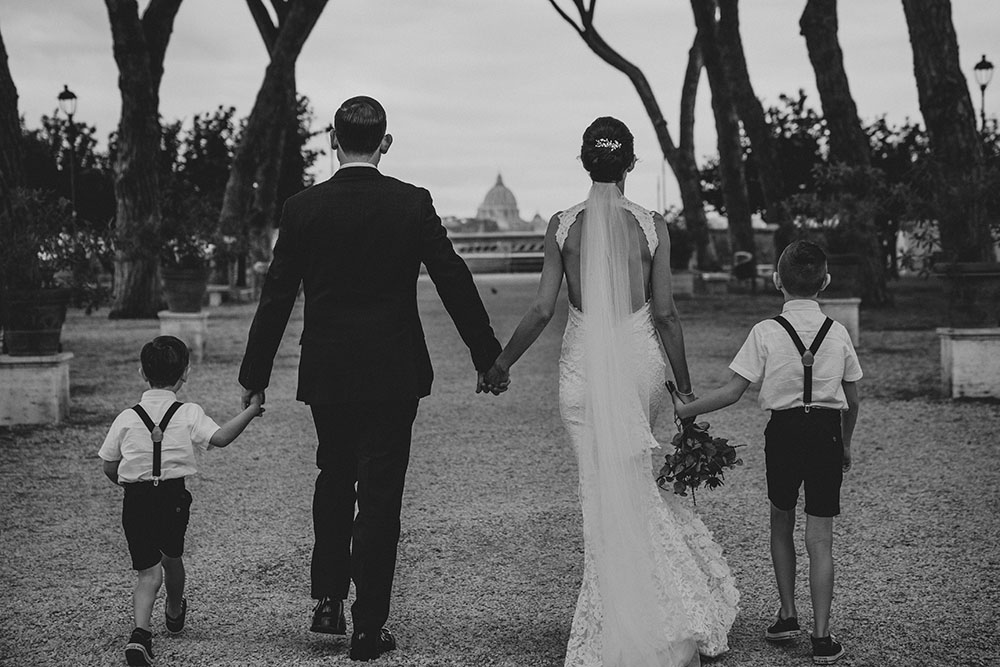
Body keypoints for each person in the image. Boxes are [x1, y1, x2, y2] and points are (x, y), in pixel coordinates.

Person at [238, 96, 505, 661]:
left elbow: (278, 293)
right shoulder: (412, 203)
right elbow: (452, 277)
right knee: (381, 497)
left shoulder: (302, 207)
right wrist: (487, 354)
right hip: (393, 369)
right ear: (386, 142)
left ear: (333, 140)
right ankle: (368, 627)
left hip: (329, 369)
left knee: (333, 477)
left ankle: (329, 599)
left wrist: (254, 374)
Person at [483, 117, 738, 667]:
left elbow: (542, 309)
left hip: (582, 368)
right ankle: (667, 611)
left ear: (583, 162)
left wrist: (501, 362)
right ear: (631, 164)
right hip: (641, 361)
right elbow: (666, 314)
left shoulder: (561, 226)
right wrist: (686, 393)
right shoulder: (651, 226)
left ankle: (620, 615)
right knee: (638, 480)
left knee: (601, 494)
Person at [674, 240, 862, 665]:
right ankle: (822, 637)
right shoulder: (839, 333)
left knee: (781, 520)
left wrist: (687, 409)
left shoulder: (765, 332)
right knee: (821, 538)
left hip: (783, 433)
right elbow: (854, 398)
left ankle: (787, 615)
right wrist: (846, 443)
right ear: (826, 282)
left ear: (777, 281)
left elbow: (732, 391)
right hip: (826, 433)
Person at [99, 335, 264, 667]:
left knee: (148, 574)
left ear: (142, 373)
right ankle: (174, 612)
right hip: (173, 497)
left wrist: (130, 485)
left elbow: (109, 464)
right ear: (185, 372)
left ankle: (140, 635)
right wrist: (251, 410)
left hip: (136, 500)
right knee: (172, 558)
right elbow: (220, 438)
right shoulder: (188, 412)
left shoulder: (127, 417)